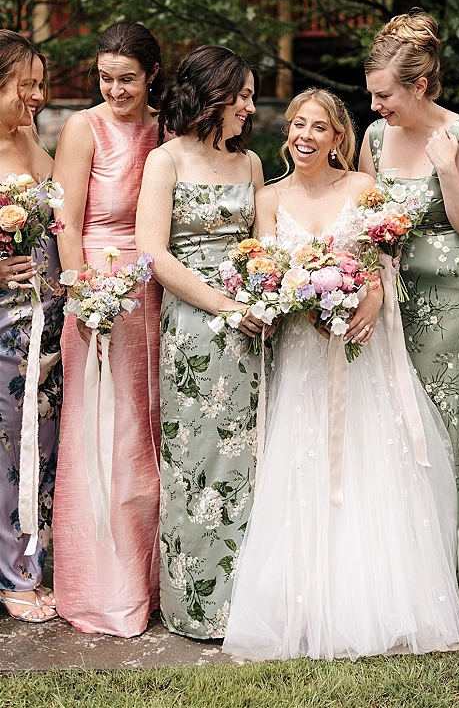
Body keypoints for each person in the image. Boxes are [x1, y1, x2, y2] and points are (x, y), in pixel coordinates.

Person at [223, 88, 459, 660]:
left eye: (319, 127)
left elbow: (386, 258)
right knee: (302, 462)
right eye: (297, 125)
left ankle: (376, 602)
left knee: (368, 462)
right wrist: (295, 300)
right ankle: (305, 603)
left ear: (339, 138)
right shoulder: (268, 198)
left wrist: (372, 294)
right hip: (304, 353)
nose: (305, 135)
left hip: (362, 349)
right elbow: (263, 268)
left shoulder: (361, 188)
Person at [358, 11, 459, 598]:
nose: (375, 107)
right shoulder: (373, 139)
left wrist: (445, 169)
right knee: (390, 433)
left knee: (448, 434)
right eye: (370, 95)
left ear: (417, 86)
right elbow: (362, 218)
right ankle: (400, 570)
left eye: (384, 95)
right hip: (390, 306)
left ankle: (448, 574)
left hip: (453, 312)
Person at [135, 45, 265, 640]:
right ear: (212, 95)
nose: (250, 105)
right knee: (194, 461)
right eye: (241, 95)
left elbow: (264, 249)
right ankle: (195, 605)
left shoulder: (252, 164)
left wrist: (266, 295)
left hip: (253, 328)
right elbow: (156, 255)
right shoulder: (166, 161)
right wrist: (224, 306)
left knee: (250, 460)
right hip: (194, 327)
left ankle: (248, 599)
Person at [51, 21, 164, 636]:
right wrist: (82, 293)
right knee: (104, 431)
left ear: (151, 76)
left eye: (127, 78)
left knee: (147, 431)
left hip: (151, 286)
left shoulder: (165, 128)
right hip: (95, 284)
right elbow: (65, 218)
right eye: (106, 78)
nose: (115, 89)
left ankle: (151, 581)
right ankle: (101, 587)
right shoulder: (81, 127)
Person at [0, 30, 64, 622]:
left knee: (37, 441)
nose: (38, 96)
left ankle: (28, 561)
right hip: (2, 317)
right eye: (28, 84)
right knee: (5, 446)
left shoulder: (27, 137)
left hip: (42, 317)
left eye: (40, 84)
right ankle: (12, 574)